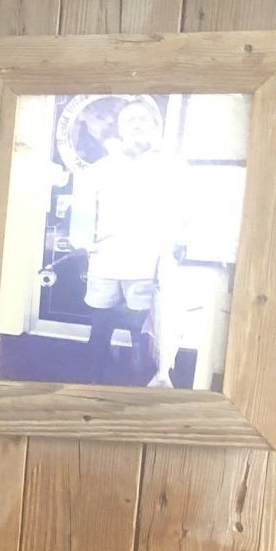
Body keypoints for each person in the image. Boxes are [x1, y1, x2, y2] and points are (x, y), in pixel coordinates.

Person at [68, 97, 179, 386]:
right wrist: (82, 239)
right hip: (105, 260)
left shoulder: (170, 166)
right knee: (100, 325)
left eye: (143, 119)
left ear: (155, 125)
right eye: (129, 120)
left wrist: (174, 243)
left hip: (148, 265)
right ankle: (92, 382)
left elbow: (182, 210)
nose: (136, 124)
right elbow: (82, 207)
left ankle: (142, 384)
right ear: (119, 128)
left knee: (142, 330)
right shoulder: (102, 168)